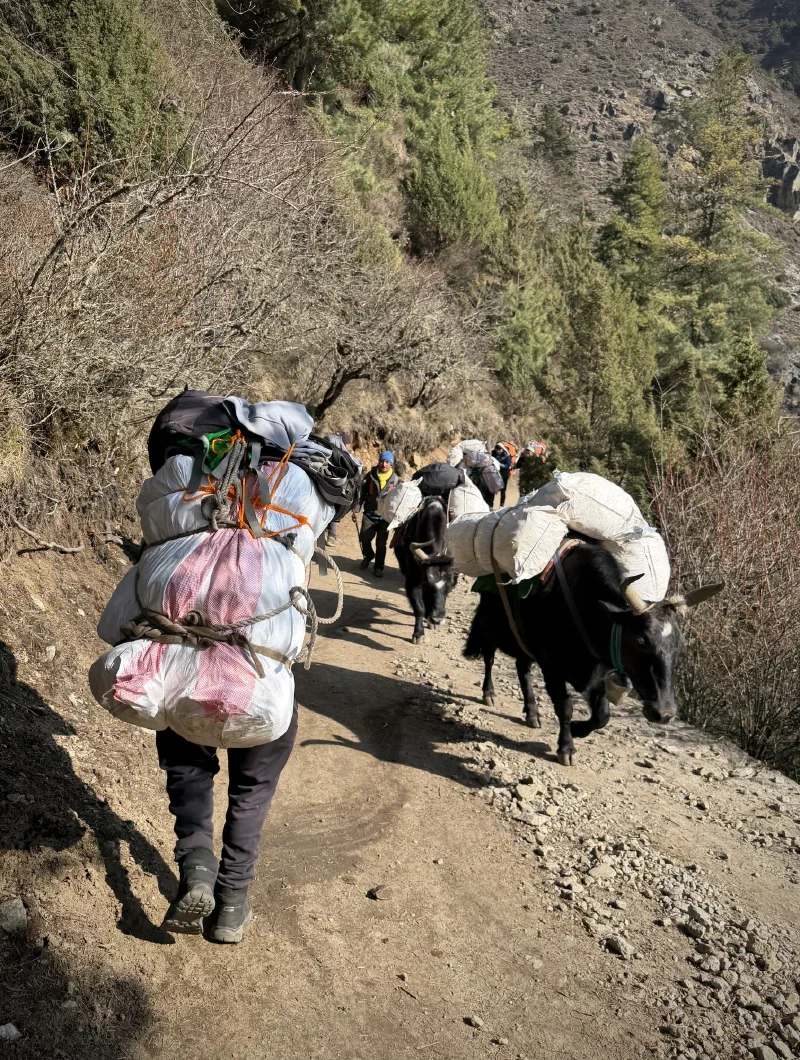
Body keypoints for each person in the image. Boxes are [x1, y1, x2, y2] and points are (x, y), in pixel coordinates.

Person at [356, 450, 399, 578]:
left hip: (384, 518)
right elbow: (362, 494)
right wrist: (357, 508)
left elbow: (399, 500)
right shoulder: (370, 476)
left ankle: (379, 567)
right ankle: (368, 556)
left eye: (387, 462)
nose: (384, 464)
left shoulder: (396, 481)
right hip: (369, 514)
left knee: (381, 544)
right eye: (382, 461)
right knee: (364, 538)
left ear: (391, 464)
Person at [323, 431, 361, 546]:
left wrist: (355, 507)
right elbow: (356, 483)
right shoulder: (344, 458)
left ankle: (331, 535)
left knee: (331, 510)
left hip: (335, 491)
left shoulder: (346, 458)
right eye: (347, 443)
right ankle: (330, 536)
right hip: (336, 491)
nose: (349, 446)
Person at [491, 442, 514, 507]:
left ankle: (501, 504)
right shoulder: (493, 454)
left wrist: (501, 465)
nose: (498, 451)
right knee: (492, 489)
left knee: (503, 490)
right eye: (497, 450)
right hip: (495, 473)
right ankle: (490, 504)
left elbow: (508, 465)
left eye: (499, 450)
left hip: (504, 473)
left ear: (502, 449)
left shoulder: (506, 455)